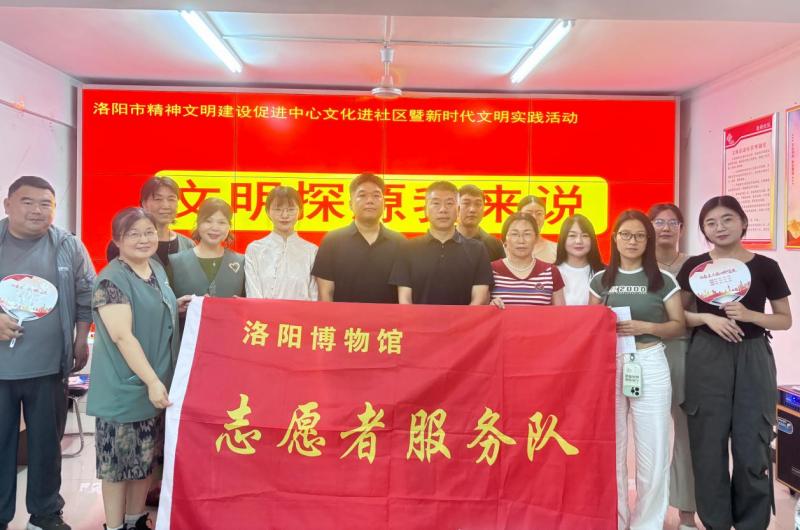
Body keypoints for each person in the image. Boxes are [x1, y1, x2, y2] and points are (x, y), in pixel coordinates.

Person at [677, 196, 792, 530]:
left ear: (743, 222)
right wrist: (706, 319)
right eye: (710, 223)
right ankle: (715, 522)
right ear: (704, 231)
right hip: (707, 356)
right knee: (708, 443)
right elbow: (678, 314)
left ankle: (751, 523)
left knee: (752, 442)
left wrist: (751, 315)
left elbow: (784, 319)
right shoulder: (695, 267)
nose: (720, 227)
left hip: (753, 354)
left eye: (727, 219)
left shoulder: (766, 266)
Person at [0, 176, 95, 530]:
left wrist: (81, 339)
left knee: (46, 446)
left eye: (46, 204)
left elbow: (86, 294)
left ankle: (44, 514)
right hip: (1, 371)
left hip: (49, 368)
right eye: (27, 202)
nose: (37, 210)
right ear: (8, 204)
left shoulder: (68, 245)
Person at [87, 208, 187, 530]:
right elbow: (122, 336)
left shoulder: (154, 268)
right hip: (127, 387)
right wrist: (153, 381)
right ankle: (115, 526)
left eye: (148, 232)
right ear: (117, 240)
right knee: (118, 467)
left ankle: (135, 520)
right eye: (133, 234)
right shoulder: (111, 280)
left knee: (145, 461)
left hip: (155, 386)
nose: (144, 239)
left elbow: (152, 307)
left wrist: (175, 305)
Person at [589, 209, 685, 530]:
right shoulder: (600, 280)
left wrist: (647, 327)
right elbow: (589, 325)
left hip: (649, 361)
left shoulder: (663, 280)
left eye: (640, 236)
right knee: (612, 448)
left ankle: (647, 524)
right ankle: (615, 520)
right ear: (615, 239)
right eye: (626, 235)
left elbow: (678, 325)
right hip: (610, 365)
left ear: (648, 240)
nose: (632, 241)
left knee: (653, 449)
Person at [647, 203, 696, 529]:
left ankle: (687, 512)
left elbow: (688, 311)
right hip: (642, 349)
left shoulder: (695, 266)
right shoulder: (635, 263)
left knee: (686, 434)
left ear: (681, 228)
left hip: (681, 350)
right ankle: (643, 509)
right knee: (646, 434)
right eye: (658, 222)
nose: (665, 228)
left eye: (672, 222)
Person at [390, 181, 492, 305]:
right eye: (436, 203)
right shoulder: (408, 249)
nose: (443, 210)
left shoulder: (477, 249)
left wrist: (464, 318)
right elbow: (405, 299)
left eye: (449, 203)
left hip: (465, 318)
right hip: (418, 318)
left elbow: (479, 298)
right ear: (425, 210)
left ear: (458, 210)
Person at [312, 173, 405, 303]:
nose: (370, 201)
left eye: (376, 195)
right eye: (362, 195)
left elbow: (404, 294)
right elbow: (325, 293)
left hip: (388, 317)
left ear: (384, 203)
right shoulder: (332, 241)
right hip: (344, 317)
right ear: (350, 204)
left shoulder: (400, 242)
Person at [245, 186, 318, 300]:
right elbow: (253, 293)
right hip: (263, 312)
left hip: (302, 312)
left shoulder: (311, 251)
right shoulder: (255, 249)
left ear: (300, 211)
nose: (284, 215)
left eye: (291, 209)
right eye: (278, 209)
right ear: (268, 212)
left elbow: (314, 295)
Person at [106, 176, 194, 266]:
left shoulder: (188, 245)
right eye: (158, 199)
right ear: (144, 203)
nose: (165, 206)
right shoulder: (123, 243)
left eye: (171, 199)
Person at [168, 198, 245, 299]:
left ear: (229, 226)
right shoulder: (175, 262)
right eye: (208, 221)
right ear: (198, 223)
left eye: (221, 222)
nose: (215, 228)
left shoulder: (241, 262)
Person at [490, 212, 565, 307]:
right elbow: (480, 310)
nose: (521, 241)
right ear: (505, 239)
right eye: (514, 234)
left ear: (536, 238)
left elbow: (561, 312)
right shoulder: (491, 270)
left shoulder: (550, 272)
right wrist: (490, 307)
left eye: (527, 234)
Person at [555, 214, 605, 306]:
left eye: (585, 236)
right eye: (572, 235)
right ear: (563, 239)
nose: (578, 241)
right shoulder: (551, 272)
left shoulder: (604, 273)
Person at [456, 184, 505, 261]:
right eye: (466, 203)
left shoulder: (495, 245)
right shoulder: (442, 241)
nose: (472, 209)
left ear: (483, 209)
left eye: (478, 204)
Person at [517, 195, 558, 263]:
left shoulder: (556, 250)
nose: (534, 217)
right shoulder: (506, 249)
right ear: (518, 215)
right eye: (529, 213)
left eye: (539, 213)